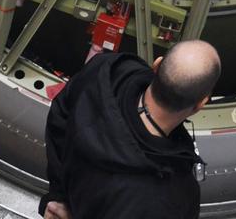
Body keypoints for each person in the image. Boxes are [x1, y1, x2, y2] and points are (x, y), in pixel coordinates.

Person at [42, 39, 220, 219]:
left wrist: (58, 196)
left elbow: (59, 115)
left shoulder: (108, 69)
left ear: (156, 65)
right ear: (200, 104)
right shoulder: (174, 196)